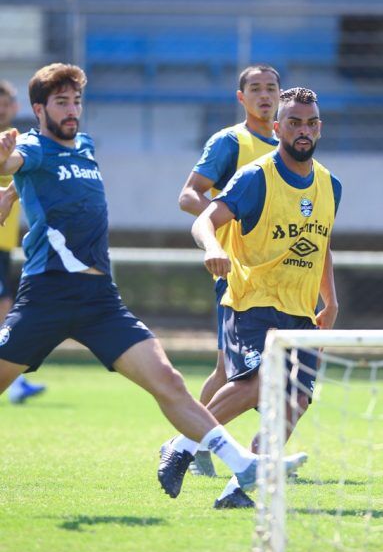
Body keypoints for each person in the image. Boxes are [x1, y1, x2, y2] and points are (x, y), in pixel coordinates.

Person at [0, 62, 306, 499]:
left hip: (99, 299)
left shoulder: (83, 145)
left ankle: (243, 464)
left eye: (77, 101)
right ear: (38, 108)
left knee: (169, 380)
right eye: (61, 103)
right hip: (46, 294)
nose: (72, 111)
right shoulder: (30, 145)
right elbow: (16, 161)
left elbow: (37, 179)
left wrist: (11, 196)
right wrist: (4, 164)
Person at [160, 87, 341, 507]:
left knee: (296, 400)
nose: (303, 130)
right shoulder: (256, 176)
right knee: (258, 383)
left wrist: (329, 301)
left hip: (300, 309)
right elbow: (205, 219)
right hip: (253, 300)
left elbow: (321, 243)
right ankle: (183, 446)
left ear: (320, 128)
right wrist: (213, 246)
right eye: (293, 122)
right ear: (276, 127)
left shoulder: (331, 184)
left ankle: (236, 490)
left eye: (310, 122)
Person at [176, 64, 280, 477]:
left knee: (269, 368)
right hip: (236, 274)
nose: (264, 95)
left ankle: (221, 446)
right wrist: (229, 224)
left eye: (271, 88)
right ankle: (192, 446)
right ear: (241, 98)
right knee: (229, 370)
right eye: (254, 89)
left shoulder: (289, 143)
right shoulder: (230, 142)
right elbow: (188, 196)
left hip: (279, 276)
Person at [0, 79, 47, 404]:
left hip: (5, 246)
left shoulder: (19, 143)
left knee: (6, 311)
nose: (3, 109)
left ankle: (14, 383)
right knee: (5, 310)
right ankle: (15, 384)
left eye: (7, 103)